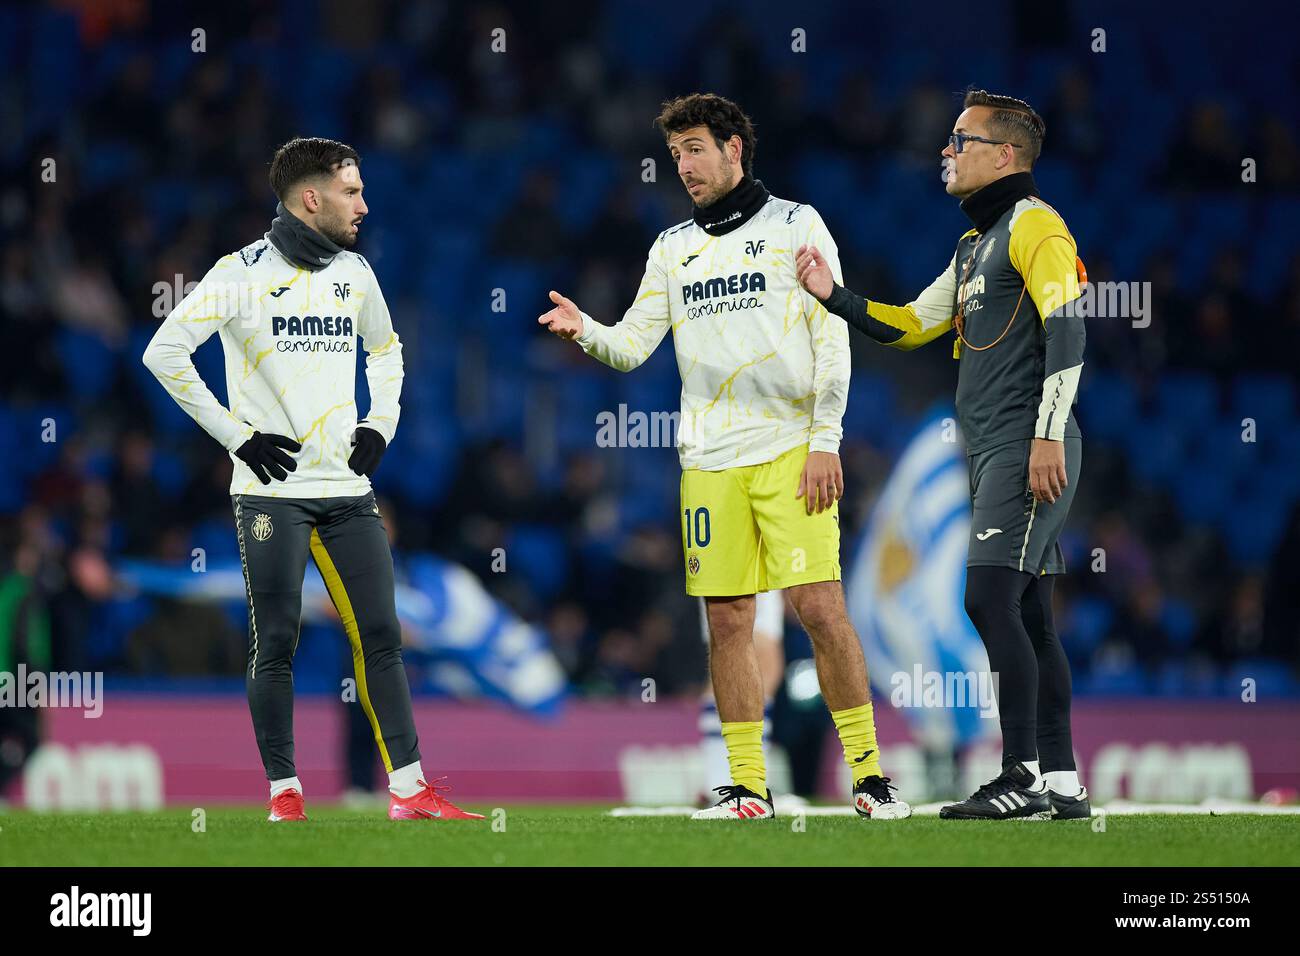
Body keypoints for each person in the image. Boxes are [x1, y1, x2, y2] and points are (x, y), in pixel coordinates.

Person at [540, 93, 910, 821]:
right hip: (708, 461)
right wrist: (587, 330)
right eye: (676, 154)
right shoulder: (672, 248)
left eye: (696, 150)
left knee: (820, 608)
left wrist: (826, 440)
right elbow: (633, 345)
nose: (684, 166)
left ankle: (870, 777)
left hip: (789, 450)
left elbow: (833, 337)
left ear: (735, 149)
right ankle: (747, 788)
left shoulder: (796, 225)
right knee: (731, 620)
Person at [143, 137, 481, 822]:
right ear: (310, 197)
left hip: (347, 489)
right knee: (278, 638)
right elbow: (165, 351)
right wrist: (237, 438)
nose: (363, 205)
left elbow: (386, 351)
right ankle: (283, 794)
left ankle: (411, 791)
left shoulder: (355, 274)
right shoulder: (237, 273)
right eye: (351, 192)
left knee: (382, 633)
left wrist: (380, 423)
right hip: (269, 493)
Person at [796, 90, 1091, 820]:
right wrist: (832, 295)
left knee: (986, 599)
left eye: (961, 140)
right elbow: (909, 325)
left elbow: (1069, 329)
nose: (946, 151)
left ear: (1006, 155)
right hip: (999, 447)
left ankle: (1018, 773)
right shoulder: (973, 249)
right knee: (1030, 617)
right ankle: (1061, 782)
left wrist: (1048, 433)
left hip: (1027, 443)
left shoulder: (1036, 226)